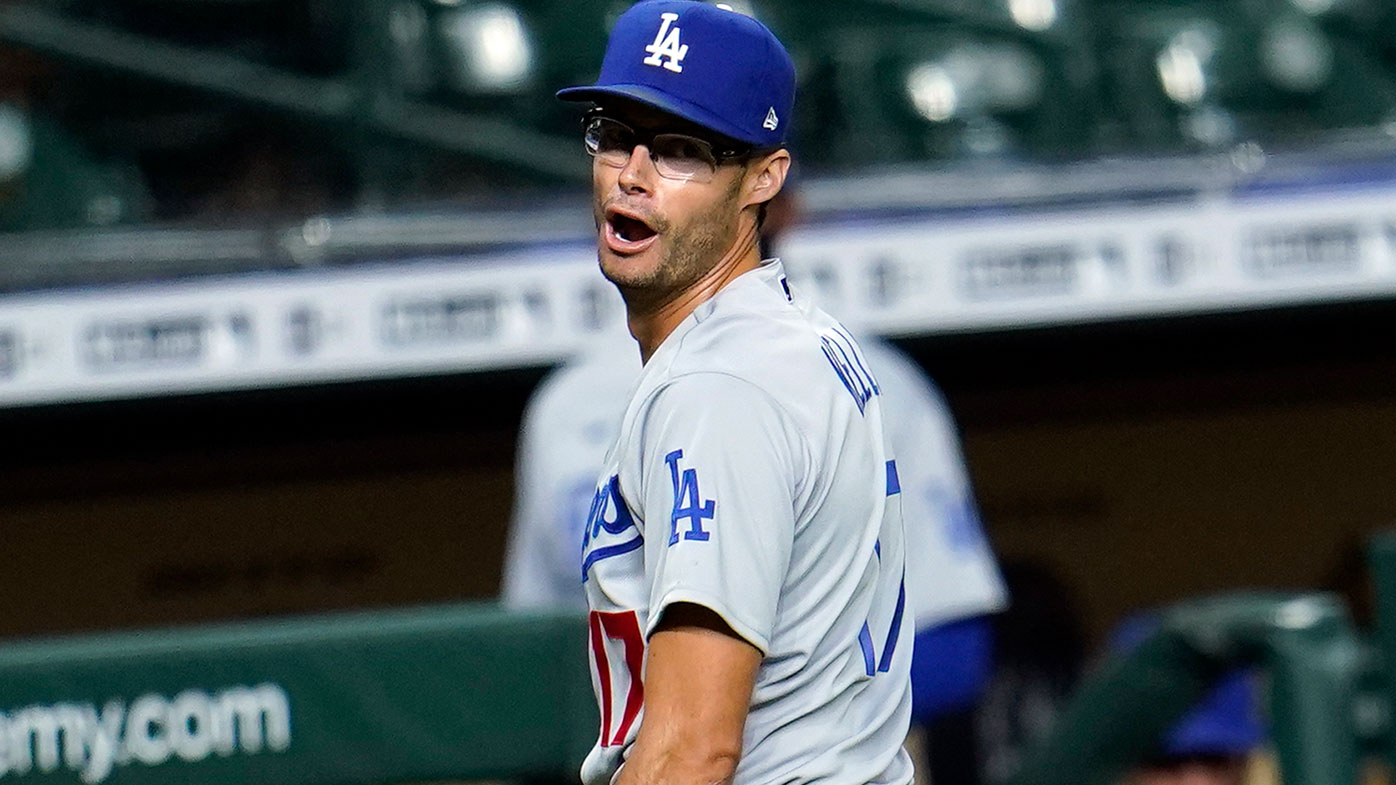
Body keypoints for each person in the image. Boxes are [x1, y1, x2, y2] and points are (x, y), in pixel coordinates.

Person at [502, 198, 1009, 776]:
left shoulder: (873, 380)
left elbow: (954, 646)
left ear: (776, 197)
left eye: (688, 157)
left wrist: (754, 711)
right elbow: (533, 655)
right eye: (620, 146)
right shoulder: (566, 407)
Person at [545, 3, 915, 784]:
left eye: (681, 151)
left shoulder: (722, 385)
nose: (634, 176)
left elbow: (692, 748)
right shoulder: (789, 339)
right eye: (615, 136)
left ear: (764, 177)